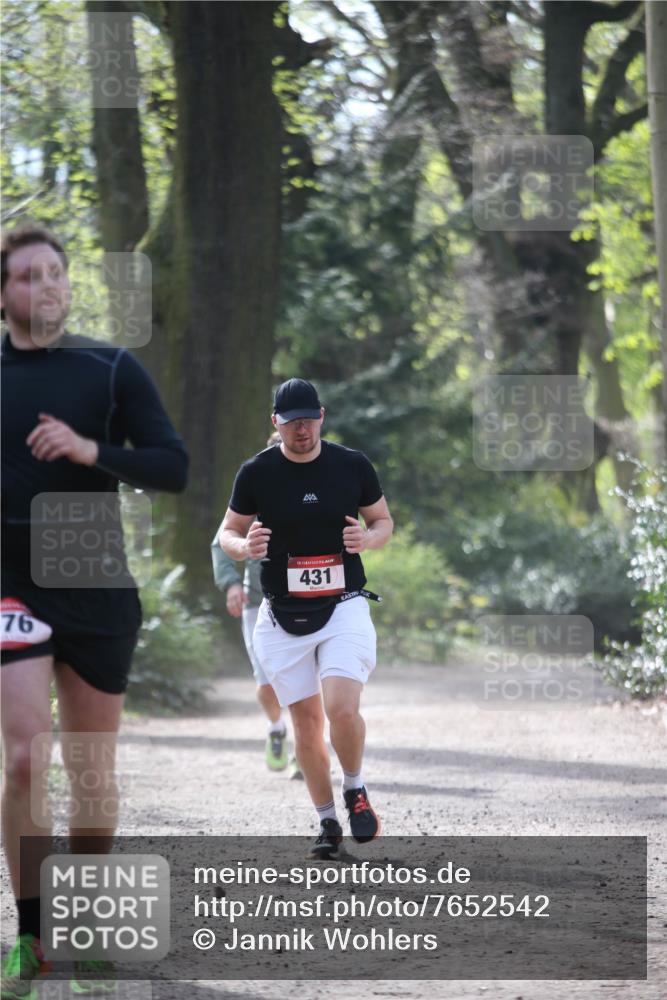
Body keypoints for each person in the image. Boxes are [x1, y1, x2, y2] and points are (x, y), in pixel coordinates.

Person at [0, 226, 188, 999]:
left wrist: (89, 451)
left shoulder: (111, 368)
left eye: (55, 274)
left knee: (92, 773)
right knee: (22, 758)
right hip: (12, 587)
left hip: (98, 587)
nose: (44, 287)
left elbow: (172, 466)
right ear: (3, 293)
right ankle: (33, 939)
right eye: (25, 277)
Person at [219, 378, 393, 859]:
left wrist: (369, 540)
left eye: (309, 419)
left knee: (340, 707)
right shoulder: (256, 473)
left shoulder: (351, 465)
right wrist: (243, 547)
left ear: (322, 415)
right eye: (292, 422)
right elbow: (227, 532)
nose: (302, 430)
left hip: (344, 603)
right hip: (280, 614)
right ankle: (326, 822)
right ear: (275, 423)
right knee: (307, 722)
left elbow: (382, 521)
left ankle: (355, 788)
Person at [211, 433, 302, 779]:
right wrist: (232, 583)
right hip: (258, 598)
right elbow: (222, 540)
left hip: (306, 598)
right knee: (267, 682)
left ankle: (305, 751)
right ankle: (277, 728)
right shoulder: (254, 488)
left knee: (304, 681)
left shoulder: (319, 484)